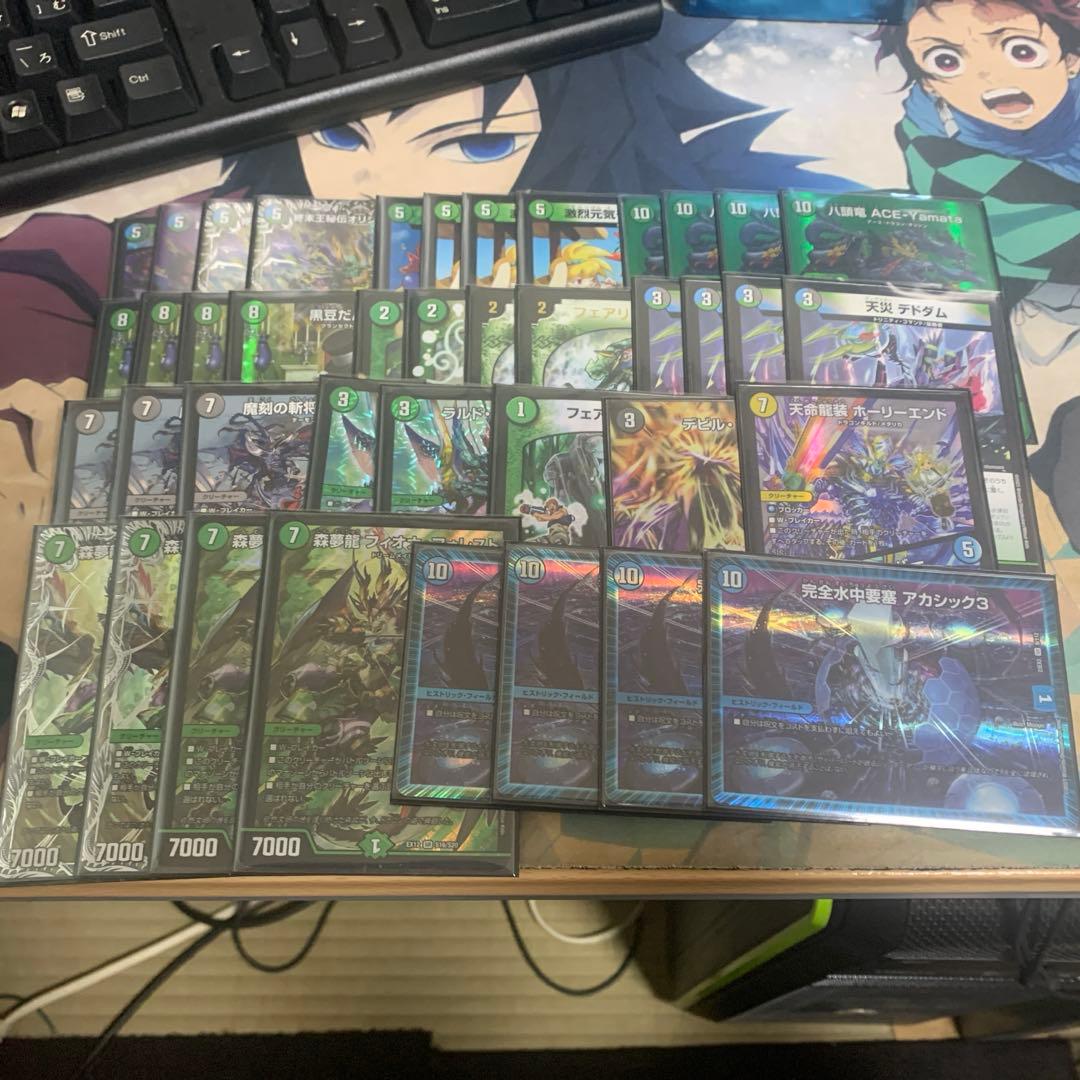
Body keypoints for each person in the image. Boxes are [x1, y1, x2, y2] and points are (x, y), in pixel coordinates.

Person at [877, 0, 1080, 545]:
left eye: (1020, 50)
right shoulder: (940, 154)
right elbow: (1045, 238)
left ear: (1069, 57)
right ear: (930, 83)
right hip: (1038, 337)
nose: (989, 76)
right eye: (947, 60)